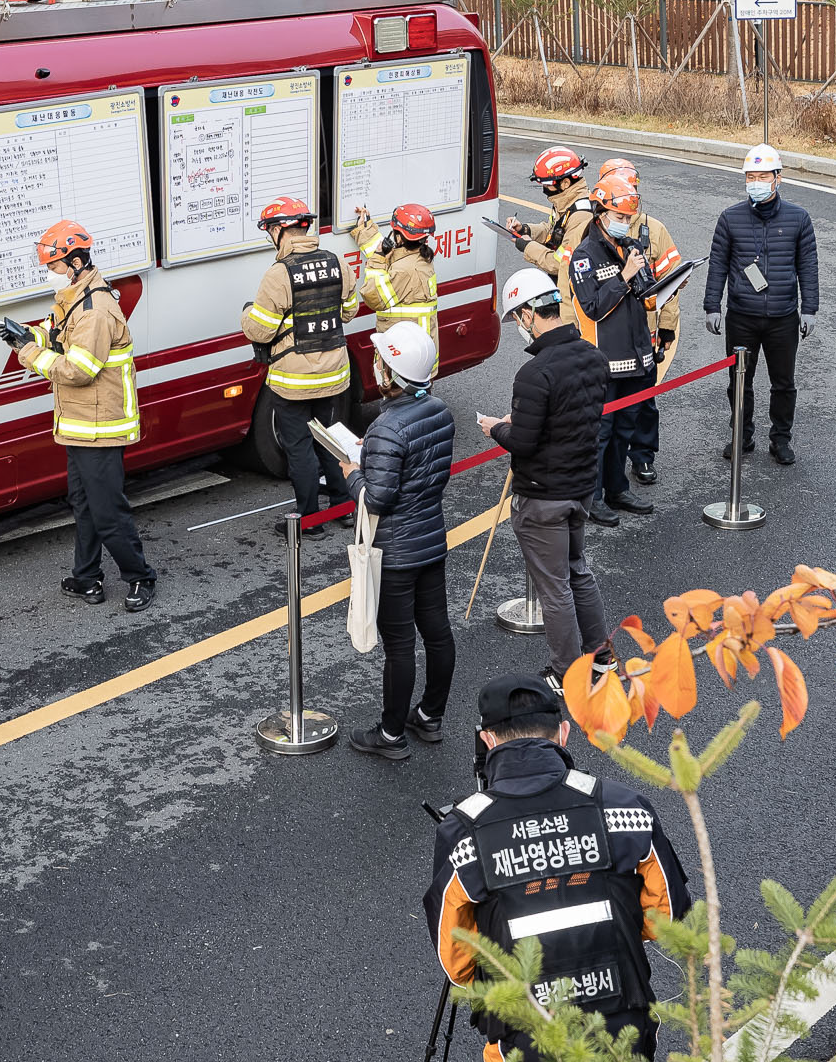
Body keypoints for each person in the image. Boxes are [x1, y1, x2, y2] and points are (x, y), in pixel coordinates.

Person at [425, 674, 694, 1062]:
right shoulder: (621, 806)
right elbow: (672, 922)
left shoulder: (464, 829)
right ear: (564, 734)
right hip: (623, 1052)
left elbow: (457, 965)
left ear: (486, 742)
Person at [476, 269, 614, 689]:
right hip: (580, 487)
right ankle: (601, 656)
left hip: (542, 496)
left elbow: (523, 441)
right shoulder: (592, 356)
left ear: (528, 315)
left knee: (555, 589)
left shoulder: (534, 374)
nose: (519, 325)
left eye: (517, 317)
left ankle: (567, 672)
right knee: (578, 572)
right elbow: (573, 418)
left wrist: (494, 428)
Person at [12, 219, 157, 613]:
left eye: (55, 266)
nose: (51, 273)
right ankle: (86, 576)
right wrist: (27, 337)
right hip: (80, 425)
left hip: (100, 427)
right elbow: (55, 331)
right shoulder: (76, 298)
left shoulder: (94, 310)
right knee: (84, 503)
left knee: (108, 511)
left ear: (75, 261)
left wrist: (29, 356)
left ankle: (140, 577)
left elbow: (79, 369)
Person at [339, 322, 455, 759]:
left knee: (400, 645)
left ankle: (390, 735)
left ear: (392, 373)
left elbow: (379, 498)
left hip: (396, 551)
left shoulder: (389, 426)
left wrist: (352, 474)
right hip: (430, 539)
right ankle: (429, 716)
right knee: (438, 631)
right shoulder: (439, 411)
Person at [242, 196, 360, 522]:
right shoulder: (337, 262)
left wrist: (247, 315)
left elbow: (261, 332)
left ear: (281, 229)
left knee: (299, 447)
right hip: (334, 375)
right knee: (331, 441)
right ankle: (343, 507)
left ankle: (308, 518)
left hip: (293, 381)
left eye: (270, 230)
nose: (270, 237)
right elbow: (349, 311)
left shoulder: (279, 274)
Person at [702, 143, 819, 466]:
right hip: (742, 316)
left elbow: (807, 266)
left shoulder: (798, 219)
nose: (756, 182)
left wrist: (810, 309)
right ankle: (742, 434)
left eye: (762, 176)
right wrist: (712, 305)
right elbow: (718, 265)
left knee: (784, 384)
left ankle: (781, 439)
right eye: (750, 176)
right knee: (740, 381)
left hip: (783, 317)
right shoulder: (730, 218)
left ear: (778, 178)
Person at [567, 166, 658, 526]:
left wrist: (663, 287)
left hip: (638, 358)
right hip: (605, 360)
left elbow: (647, 293)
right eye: (619, 216)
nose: (626, 222)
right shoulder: (584, 257)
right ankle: (594, 496)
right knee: (601, 433)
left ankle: (618, 488)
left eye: (628, 217)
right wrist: (624, 277)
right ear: (601, 213)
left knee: (626, 428)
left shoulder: (633, 247)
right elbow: (593, 307)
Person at [600, 157, 685, 486]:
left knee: (643, 400)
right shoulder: (594, 234)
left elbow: (672, 285)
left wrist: (666, 328)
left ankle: (643, 456)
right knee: (607, 404)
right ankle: (609, 466)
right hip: (606, 335)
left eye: (631, 192)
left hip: (644, 336)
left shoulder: (654, 231)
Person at [348, 201, 439, 341]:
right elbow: (392, 257)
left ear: (399, 237)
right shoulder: (419, 257)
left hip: (403, 351)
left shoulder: (404, 270)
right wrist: (364, 227)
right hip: (414, 348)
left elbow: (373, 297)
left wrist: (378, 258)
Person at [507, 146, 593, 289]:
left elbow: (561, 264)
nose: (544, 189)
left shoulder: (581, 216)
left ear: (565, 183)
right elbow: (554, 230)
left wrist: (529, 247)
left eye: (547, 184)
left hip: (574, 290)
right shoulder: (565, 201)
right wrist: (525, 230)